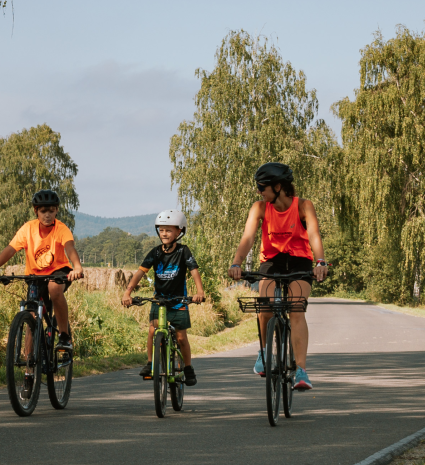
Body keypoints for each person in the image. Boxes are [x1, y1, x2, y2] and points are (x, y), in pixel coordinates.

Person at [229, 161, 324, 388]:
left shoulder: (303, 206)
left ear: (278, 186)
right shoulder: (260, 207)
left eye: (262, 187)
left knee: (296, 308)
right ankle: (263, 353)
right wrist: (237, 262)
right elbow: (248, 237)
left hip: (299, 260)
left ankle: (301, 371)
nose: (259, 191)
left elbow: (314, 235)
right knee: (266, 305)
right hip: (271, 262)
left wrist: (320, 261)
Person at [0, 188, 84, 354]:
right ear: (36, 211)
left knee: (54, 288)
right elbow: (10, 249)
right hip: (35, 276)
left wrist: (77, 267)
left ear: (57, 210)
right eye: (43, 211)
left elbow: (70, 247)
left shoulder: (61, 228)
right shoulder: (28, 229)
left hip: (59, 270)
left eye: (51, 211)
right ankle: (30, 371)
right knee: (31, 315)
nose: (47, 215)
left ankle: (64, 336)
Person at [123, 208, 206, 386]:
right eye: (161, 230)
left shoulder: (183, 251)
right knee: (153, 332)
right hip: (159, 301)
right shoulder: (155, 253)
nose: (165, 233)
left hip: (178, 301)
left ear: (179, 231)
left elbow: (194, 271)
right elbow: (140, 273)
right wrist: (127, 292)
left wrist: (200, 292)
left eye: (169, 230)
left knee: (181, 337)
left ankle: (188, 368)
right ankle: (151, 363)